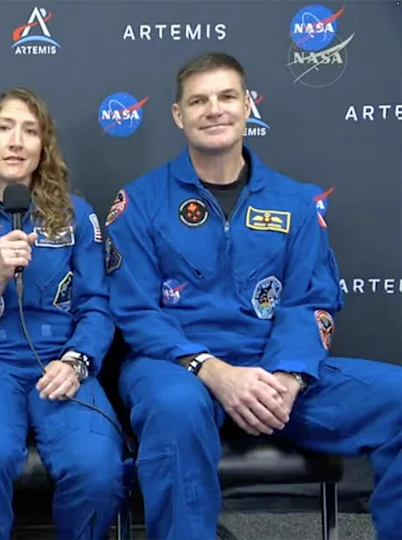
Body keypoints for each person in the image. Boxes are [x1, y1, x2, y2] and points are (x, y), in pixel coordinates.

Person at [105, 51, 402, 540]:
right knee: (175, 408)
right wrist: (214, 371)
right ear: (179, 115)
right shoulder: (140, 202)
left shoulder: (295, 203)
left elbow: (311, 299)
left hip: (273, 371)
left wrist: (287, 376)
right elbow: (135, 310)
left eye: (226, 97)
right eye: (198, 101)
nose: (213, 110)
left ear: (248, 106)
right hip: (177, 368)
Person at [0, 88, 125, 540]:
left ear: (43, 147)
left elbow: (97, 306)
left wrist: (76, 361)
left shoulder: (76, 216)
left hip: (62, 362)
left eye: (29, 131)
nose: (16, 141)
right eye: (4, 128)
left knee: (97, 469)